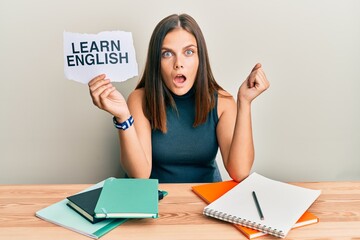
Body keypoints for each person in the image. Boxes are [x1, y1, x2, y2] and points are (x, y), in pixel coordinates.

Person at [88, 13, 270, 183]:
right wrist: (123, 118)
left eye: (188, 52)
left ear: (200, 58)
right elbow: (140, 176)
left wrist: (244, 102)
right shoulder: (139, 99)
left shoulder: (222, 101)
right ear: (156, 61)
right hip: (155, 201)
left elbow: (240, 171)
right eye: (167, 54)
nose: (178, 64)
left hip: (205, 205)